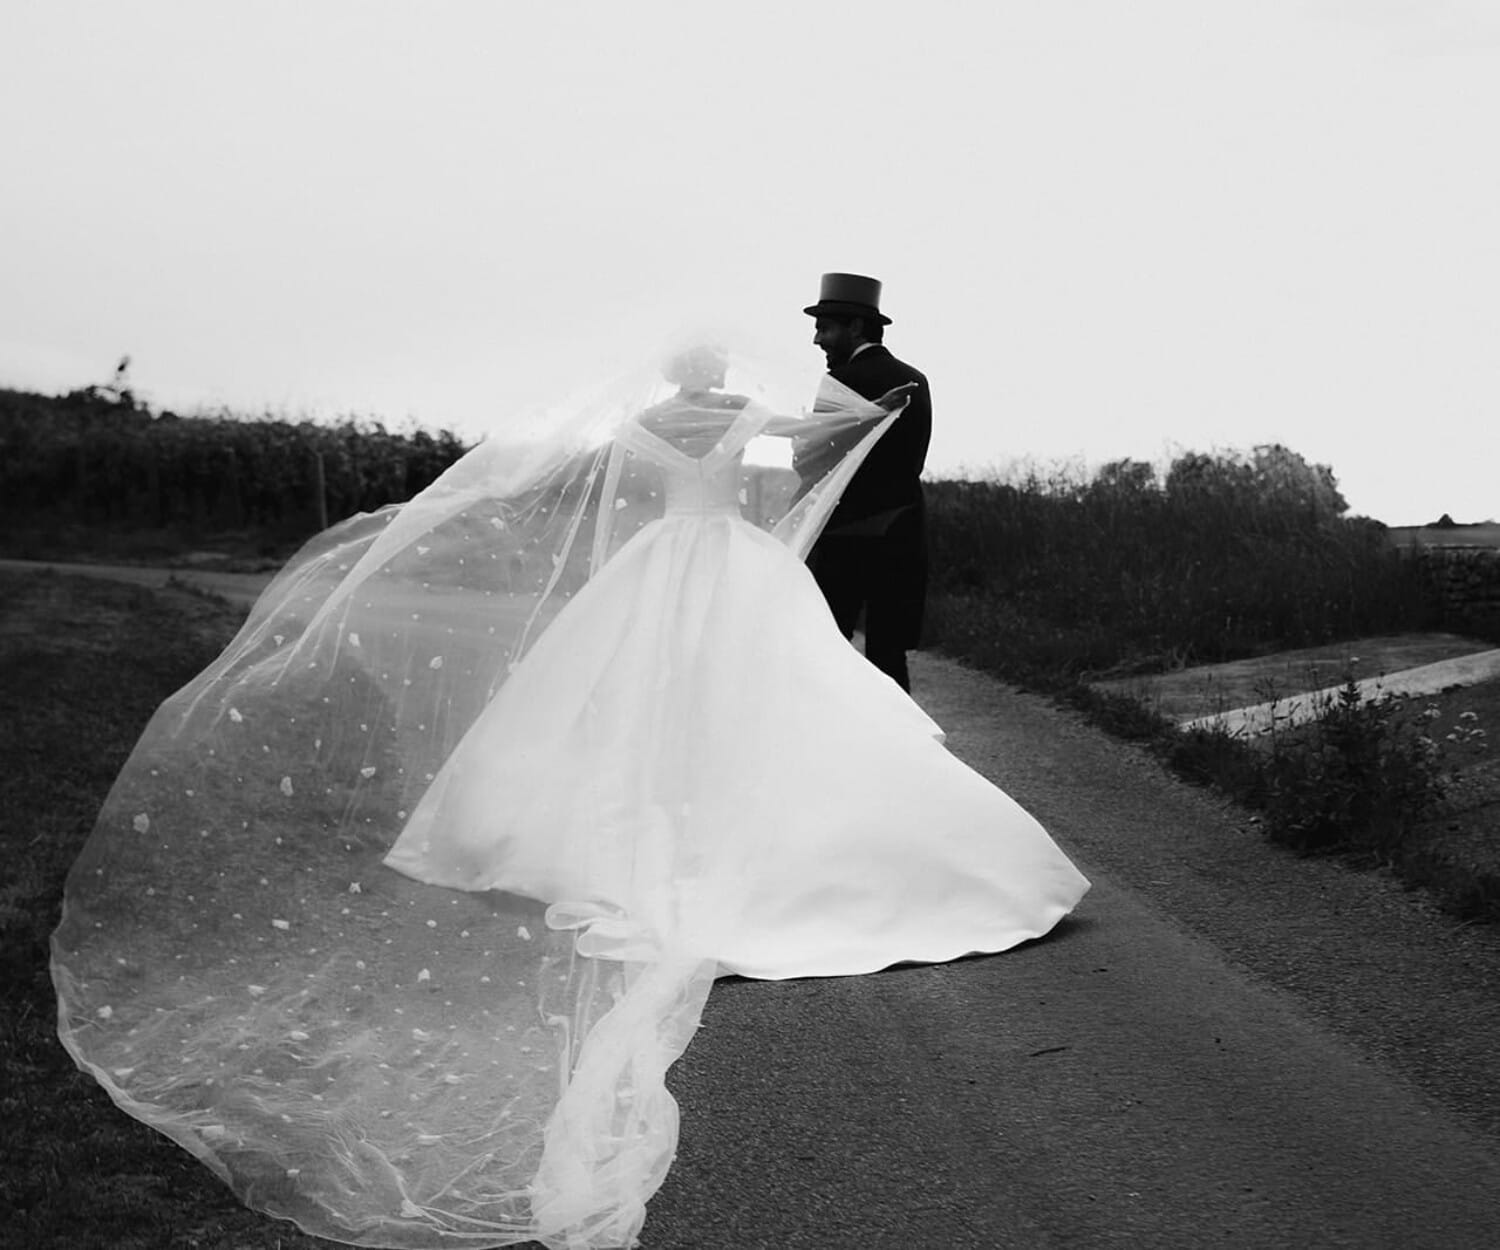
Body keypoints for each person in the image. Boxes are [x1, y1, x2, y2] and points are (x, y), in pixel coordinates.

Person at [50, 347, 1088, 1250]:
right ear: (719, 377)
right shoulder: (747, 420)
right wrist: (874, 408)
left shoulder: (644, 423)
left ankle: (626, 829)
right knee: (750, 698)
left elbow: (630, 495)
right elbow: (800, 466)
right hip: (732, 565)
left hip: (659, 563)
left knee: (628, 704)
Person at [803, 272, 932, 692]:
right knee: (889, 653)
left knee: (832, 646)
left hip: (847, 536)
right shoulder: (918, 379)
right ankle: (902, 746)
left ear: (855, 327)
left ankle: (838, 743)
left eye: (825, 328)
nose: (818, 340)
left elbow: (809, 460)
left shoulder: (840, 382)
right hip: (904, 532)